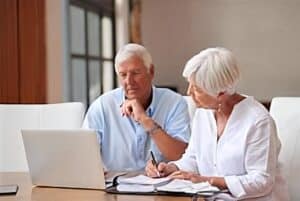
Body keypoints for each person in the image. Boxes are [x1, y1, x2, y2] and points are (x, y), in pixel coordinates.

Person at [145, 47, 289, 200]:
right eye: (190, 85)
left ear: (221, 93)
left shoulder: (258, 121)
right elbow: (193, 158)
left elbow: (261, 181)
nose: (189, 93)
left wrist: (208, 181)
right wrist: (170, 168)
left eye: (197, 89)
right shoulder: (203, 113)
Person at [83, 43, 190, 171]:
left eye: (136, 73)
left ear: (151, 71)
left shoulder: (174, 103)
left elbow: (181, 156)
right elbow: (83, 156)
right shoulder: (102, 107)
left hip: (163, 186)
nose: (129, 81)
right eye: (123, 75)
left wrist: (145, 120)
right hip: (115, 186)